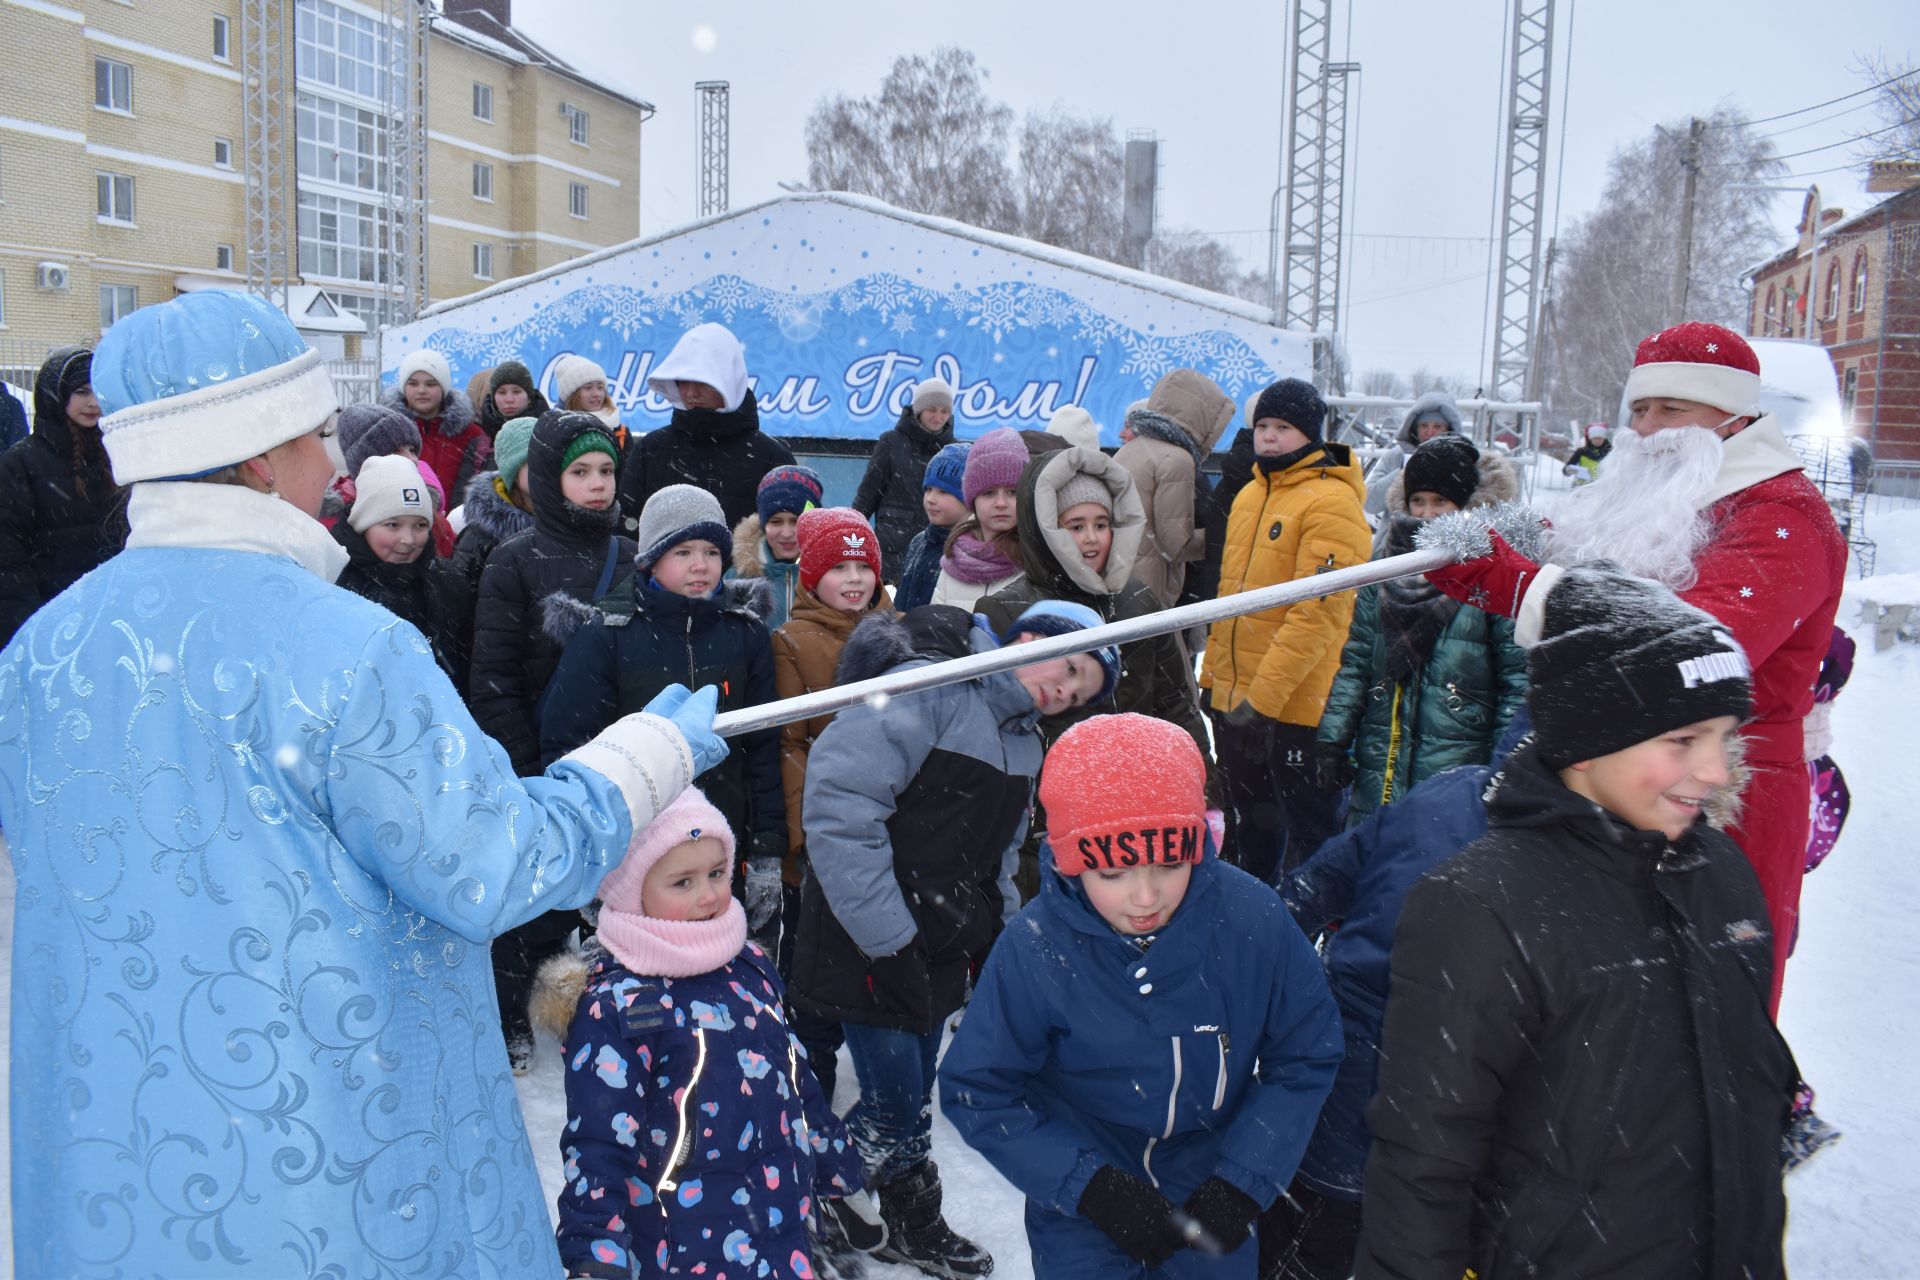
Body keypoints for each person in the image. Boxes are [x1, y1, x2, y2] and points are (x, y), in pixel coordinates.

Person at [0, 287, 728, 1279]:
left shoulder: (43, 652)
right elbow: (490, 863)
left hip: (116, 1169)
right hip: (338, 1170)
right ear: (259, 452)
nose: (337, 459)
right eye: (317, 432)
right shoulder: (345, 649)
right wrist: (643, 759)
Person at [1355, 563, 1801, 1280]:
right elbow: (1423, 1164)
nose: (1717, 770)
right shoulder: (1482, 905)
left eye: (1726, 735)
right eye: (1684, 740)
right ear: (1589, 745)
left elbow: (1744, 1086)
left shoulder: (1719, 875)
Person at [1424, 321, 1847, 1015]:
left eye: (1672, 410)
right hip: (1621, 785)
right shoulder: (1673, 494)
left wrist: (1522, 585)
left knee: (1696, 1006)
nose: (1647, 431)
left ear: (1734, 416)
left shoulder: (1785, 517)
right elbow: (1595, 565)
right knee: (1599, 1009)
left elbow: (1686, 649)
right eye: (1639, 411)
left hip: (1723, 798)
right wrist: (1491, 554)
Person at [939, 714, 1343, 1279]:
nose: (1146, 895)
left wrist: (1243, 1181)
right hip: (1085, 1201)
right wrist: (1090, 1188)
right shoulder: (1036, 948)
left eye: (1170, 863)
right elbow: (980, 1087)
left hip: (1215, 1182)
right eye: (1114, 873)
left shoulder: (1253, 921)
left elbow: (1305, 1054)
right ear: (1072, 863)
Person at [788, 600, 1120, 1277]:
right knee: (890, 1103)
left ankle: (910, 1218)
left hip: (940, 945)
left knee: (913, 1100)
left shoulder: (1028, 741)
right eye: (1071, 667)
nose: (1065, 691)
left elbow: (1000, 854)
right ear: (1031, 637)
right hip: (868, 936)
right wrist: (888, 935)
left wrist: (992, 936)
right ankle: (799, 1206)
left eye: (1079, 693)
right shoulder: (932, 687)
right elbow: (839, 807)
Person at [535, 787, 885, 1280]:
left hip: (778, 1230)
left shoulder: (750, 967)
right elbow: (597, 1144)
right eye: (682, 882)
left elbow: (794, 1080)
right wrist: (595, 1250)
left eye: (717, 874)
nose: (708, 895)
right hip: (680, 1248)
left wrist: (836, 1169)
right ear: (630, 892)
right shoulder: (621, 1005)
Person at [1269, 713, 1530, 1280]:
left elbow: (1316, 885)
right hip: (1401, 1085)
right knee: (1330, 1228)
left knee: (1314, 1224)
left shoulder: (1450, 789)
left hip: (1354, 1062)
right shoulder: (1562, 861)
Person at [539, 483, 784, 937]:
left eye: (712, 551)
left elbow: (766, 750)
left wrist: (767, 850)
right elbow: (568, 749)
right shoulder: (607, 635)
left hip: (718, 849)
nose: (700, 565)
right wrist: (589, 869)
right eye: (683, 551)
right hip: (633, 851)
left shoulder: (745, 634)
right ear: (651, 559)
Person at [1200, 378, 1371, 885]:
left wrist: (1264, 701)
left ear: (1311, 434)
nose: (1270, 438)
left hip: (1297, 707)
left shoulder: (1332, 503)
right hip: (1238, 699)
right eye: (1263, 427)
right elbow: (1231, 597)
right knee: (1248, 830)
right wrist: (1217, 679)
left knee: (1310, 835)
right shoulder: (1251, 492)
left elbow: (1318, 614)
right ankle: (1251, 923)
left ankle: (1312, 940)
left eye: (1284, 428)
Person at [1315, 435, 1526, 826]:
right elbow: (1358, 660)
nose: (1427, 515)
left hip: (1458, 770)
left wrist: (1506, 769)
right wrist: (1333, 739)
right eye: (1419, 501)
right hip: (1383, 762)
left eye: (1441, 502)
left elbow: (1517, 681)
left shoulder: (1494, 574)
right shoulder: (1385, 568)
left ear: (1466, 505)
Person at [769, 506, 895, 1101]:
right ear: (811, 574)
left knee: (875, 952)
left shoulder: (899, 634)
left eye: (863, 565)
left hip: (886, 826)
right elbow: (790, 742)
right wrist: (807, 833)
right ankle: (809, 1056)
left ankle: (876, 1057)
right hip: (818, 837)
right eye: (838, 566)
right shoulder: (793, 642)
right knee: (812, 954)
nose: (853, 578)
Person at [0, 345, 123, 648]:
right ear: (55, 394)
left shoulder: (117, 456)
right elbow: (8, 555)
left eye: (98, 390)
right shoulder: (21, 464)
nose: (93, 402)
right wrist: (28, 624)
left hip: (110, 612)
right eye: (82, 391)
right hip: (50, 616)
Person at [617, 322, 796, 527]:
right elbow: (627, 529)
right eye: (683, 381)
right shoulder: (652, 450)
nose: (692, 393)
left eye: (703, 381)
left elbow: (794, 536)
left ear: (728, 379)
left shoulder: (772, 458)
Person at [334, 454, 472, 685]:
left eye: (420, 525)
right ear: (363, 526)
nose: (408, 539)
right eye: (392, 525)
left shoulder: (449, 582)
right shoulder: (335, 582)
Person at [1115, 369, 1237, 608]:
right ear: (1206, 422)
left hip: (1119, 580)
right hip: (1150, 588)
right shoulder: (1178, 459)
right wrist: (1223, 534)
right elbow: (1177, 545)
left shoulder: (1128, 449)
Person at [854, 376, 958, 577]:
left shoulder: (953, 450)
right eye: (932, 410)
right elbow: (867, 496)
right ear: (919, 410)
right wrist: (849, 536)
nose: (938, 417)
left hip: (938, 552)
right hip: (891, 551)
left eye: (944, 411)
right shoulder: (891, 442)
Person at [930, 425, 1028, 610]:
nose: (1001, 503)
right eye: (989, 493)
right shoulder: (954, 558)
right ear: (972, 499)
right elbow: (936, 633)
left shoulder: (1037, 561)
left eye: (1012, 492)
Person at [384, 347, 490, 502]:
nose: (421, 390)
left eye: (431, 384)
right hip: (401, 521)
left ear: (443, 388)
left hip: (456, 522)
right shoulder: (388, 431)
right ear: (403, 387)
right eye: (413, 384)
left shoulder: (471, 434)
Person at [447, 413, 536, 597]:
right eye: (534, 464)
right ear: (513, 472)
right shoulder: (480, 537)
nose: (546, 471)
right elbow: (460, 598)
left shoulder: (569, 519)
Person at [732, 463, 825, 630]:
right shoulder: (740, 576)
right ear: (763, 525)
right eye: (775, 522)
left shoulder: (831, 573)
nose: (786, 533)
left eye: (796, 521)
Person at [893, 441, 969, 612]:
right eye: (928, 489)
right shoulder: (919, 542)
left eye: (944, 492)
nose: (931, 499)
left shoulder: (974, 551)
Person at [1362, 390, 1461, 519]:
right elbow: (1370, 504)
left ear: (1449, 430)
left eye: (1437, 426)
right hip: (1395, 535)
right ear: (1414, 427)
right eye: (1424, 425)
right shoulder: (1395, 457)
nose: (1430, 432)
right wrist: (1405, 472)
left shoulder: (1462, 460)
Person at [550, 352, 625, 438]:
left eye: (600, 387)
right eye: (588, 388)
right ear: (572, 395)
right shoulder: (557, 431)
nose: (596, 394)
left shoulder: (621, 432)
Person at [476, 359, 549, 440]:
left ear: (529, 397)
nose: (509, 399)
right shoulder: (479, 437)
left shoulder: (550, 430)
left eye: (516, 392)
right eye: (502, 392)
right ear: (493, 399)